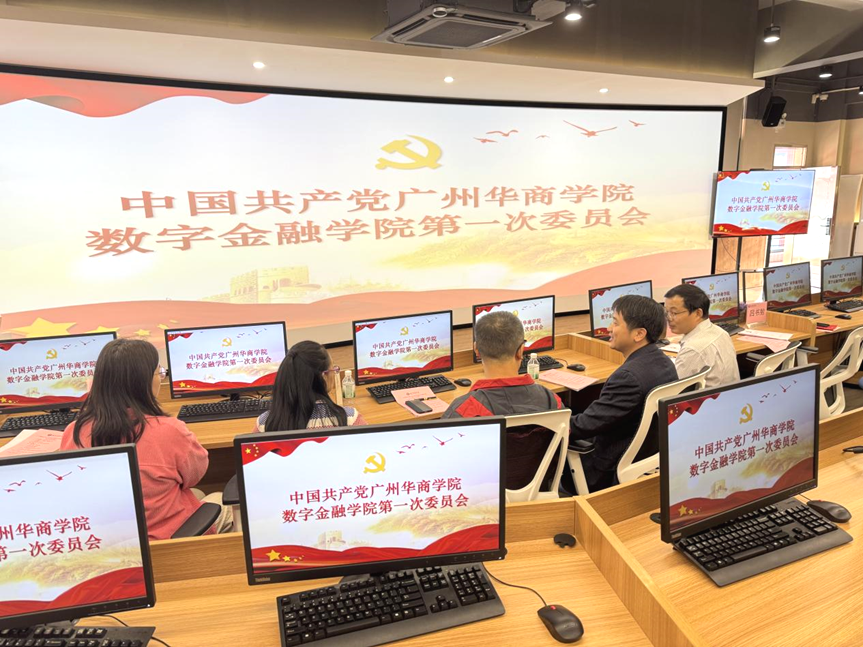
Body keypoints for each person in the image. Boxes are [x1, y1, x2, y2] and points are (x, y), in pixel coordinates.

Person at [60, 338, 231, 540]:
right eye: (159, 373)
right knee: (220, 500)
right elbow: (194, 475)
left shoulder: (74, 432)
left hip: (109, 543)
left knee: (197, 494)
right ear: (144, 383)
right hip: (163, 542)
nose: (160, 377)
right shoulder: (169, 431)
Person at [442, 311, 564, 490]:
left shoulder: (463, 411)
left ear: (476, 350)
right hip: (539, 497)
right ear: (521, 350)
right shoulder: (553, 401)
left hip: (483, 501)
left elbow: (445, 463)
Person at [569, 295, 678, 492]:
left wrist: (550, 425)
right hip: (645, 458)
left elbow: (584, 426)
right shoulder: (665, 363)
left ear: (639, 334)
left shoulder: (628, 378)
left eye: (615, 323)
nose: (609, 328)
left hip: (606, 470)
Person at [256, 340, 365, 432]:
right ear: (323, 376)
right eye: (333, 369)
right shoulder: (350, 419)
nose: (334, 373)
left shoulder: (264, 424)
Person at [664, 283, 740, 388]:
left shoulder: (693, 350)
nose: (669, 318)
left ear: (698, 313)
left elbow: (674, 390)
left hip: (710, 398)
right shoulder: (721, 332)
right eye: (666, 312)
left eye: (674, 313)